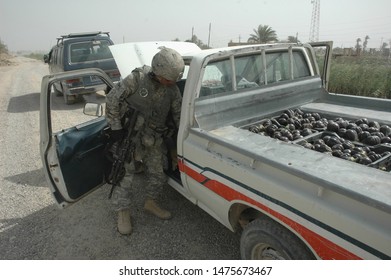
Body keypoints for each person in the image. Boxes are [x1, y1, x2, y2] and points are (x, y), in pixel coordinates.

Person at [105, 47, 185, 235]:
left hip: (153, 138)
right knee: (125, 175)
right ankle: (123, 212)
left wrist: (183, 136)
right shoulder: (136, 79)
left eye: (174, 80)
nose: (171, 83)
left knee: (158, 173)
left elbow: (179, 114)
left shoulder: (172, 89)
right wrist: (116, 129)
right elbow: (111, 100)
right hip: (128, 136)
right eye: (168, 79)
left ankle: (151, 202)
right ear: (157, 72)